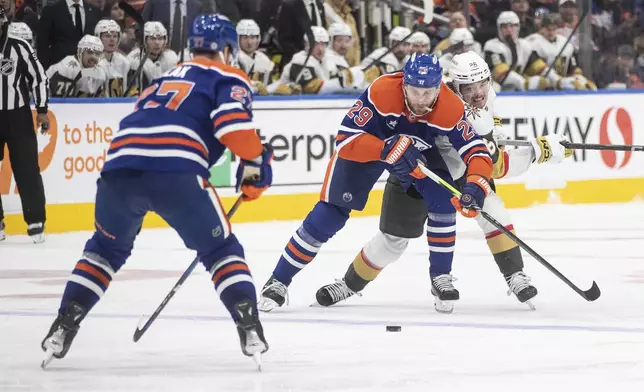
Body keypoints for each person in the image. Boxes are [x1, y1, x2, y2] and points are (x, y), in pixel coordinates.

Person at [40, 14, 273, 368]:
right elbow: (234, 130)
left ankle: (64, 324)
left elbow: (142, 122)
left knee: (103, 252)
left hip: (118, 169)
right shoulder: (229, 76)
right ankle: (249, 325)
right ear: (226, 48)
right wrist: (258, 162)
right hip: (176, 172)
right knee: (220, 249)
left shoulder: (162, 79)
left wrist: (250, 163)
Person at [314, 51, 575, 312]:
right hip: (418, 174)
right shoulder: (447, 105)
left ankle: (514, 274)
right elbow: (497, 165)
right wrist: (538, 152)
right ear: (451, 86)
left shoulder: (486, 97)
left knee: (493, 210)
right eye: (468, 87)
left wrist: (508, 141)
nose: (478, 93)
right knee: (392, 242)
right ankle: (349, 284)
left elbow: (488, 147)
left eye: (482, 83)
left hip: (461, 175)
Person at [258, 53, 494, 314]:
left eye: (429, 92)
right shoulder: (382, 91)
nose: (421, 100)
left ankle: (441, 277)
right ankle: (278, 280)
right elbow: (345, 141)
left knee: (443, 200)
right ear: (404, 83)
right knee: (329, 215)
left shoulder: (450, 107)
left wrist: (476, 185)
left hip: (415, 156)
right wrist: (384, 148)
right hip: (368, 150)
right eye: (415, 91)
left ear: (439, 87)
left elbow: (477, 152)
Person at [0, 6, 49, 243]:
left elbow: (38, 77)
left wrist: (41, 109)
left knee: (27, 167)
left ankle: (35, 220)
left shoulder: (19, 46)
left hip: (17, 115)